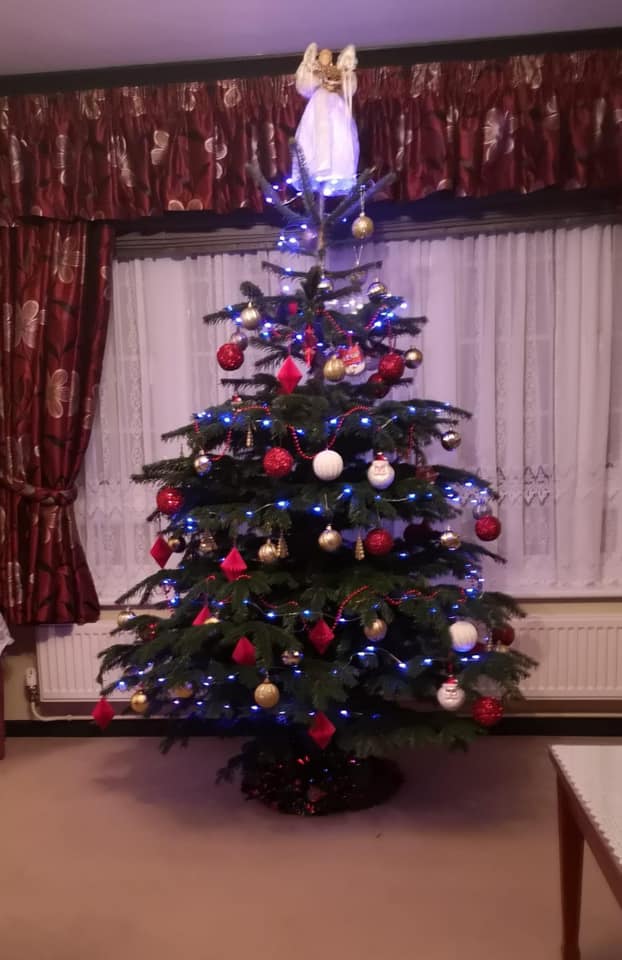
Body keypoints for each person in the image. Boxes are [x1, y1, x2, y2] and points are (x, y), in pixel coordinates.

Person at [292, 43, 359, 196]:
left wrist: (339, 81)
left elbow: (349, 86)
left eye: (328, 55)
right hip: (318, 104)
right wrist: (320, 80)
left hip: (335, 104)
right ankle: (316, 166)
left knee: (338, 133)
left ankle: (338, 167)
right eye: (323, 55)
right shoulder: (314, 71)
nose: (325, 57)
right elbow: (304, 85)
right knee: (315, 133)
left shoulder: (337, 70)